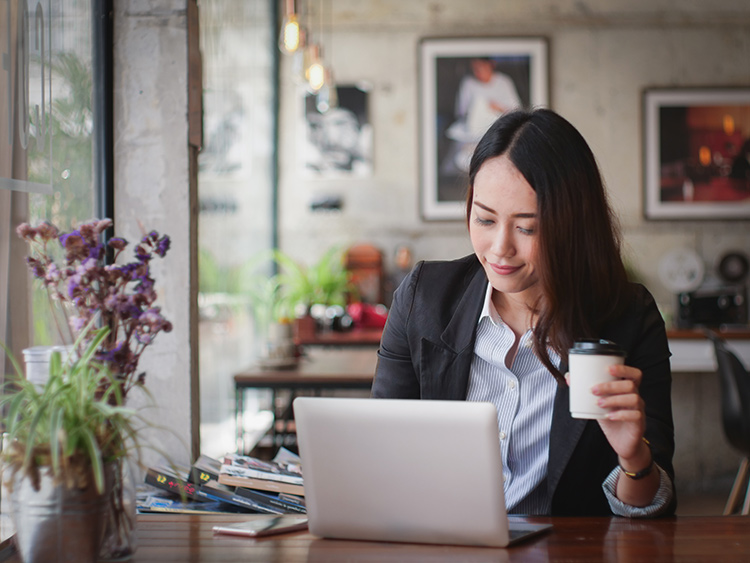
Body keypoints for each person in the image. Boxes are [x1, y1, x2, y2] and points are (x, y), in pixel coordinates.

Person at [372, 108, 676, 517]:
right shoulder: (423, 300)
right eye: (484, 219)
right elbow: (377, 450)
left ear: (573, 224)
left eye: (527, 227)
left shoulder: (628, 318)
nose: (500, 248)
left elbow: (653, 511)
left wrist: (634, 459)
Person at [442, 58, 522, 175]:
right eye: (475, 69)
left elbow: (516, 110)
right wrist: (477, 108)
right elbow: (461, 111)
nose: (478, 72)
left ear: (491, 65)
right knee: (462, 154)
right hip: (473, 127)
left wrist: (497, 107)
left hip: (498, 125)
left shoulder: (504, 82)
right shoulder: (469, 83)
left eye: (481, 68)